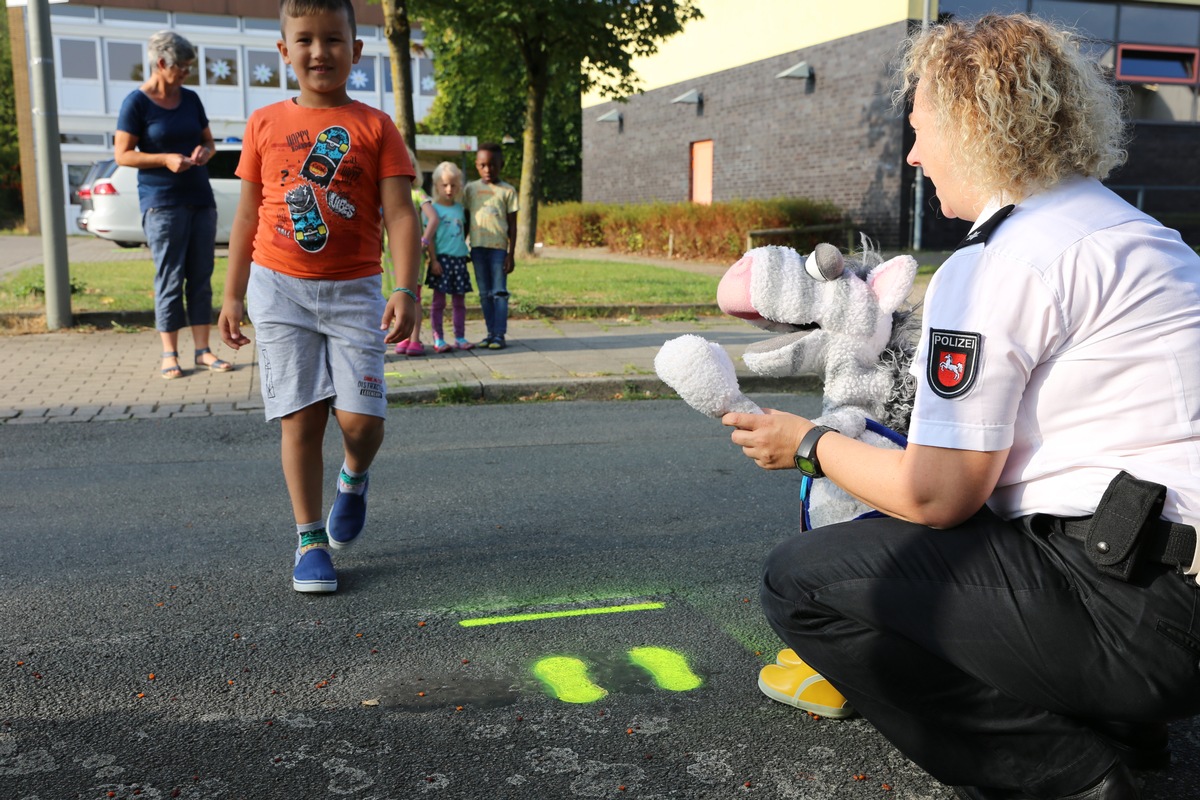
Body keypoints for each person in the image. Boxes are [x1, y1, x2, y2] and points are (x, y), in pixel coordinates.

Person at [724, 14, 1200, 800]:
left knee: (801, 581)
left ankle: (1074, 779)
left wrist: (805, 443)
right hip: (1168, 584)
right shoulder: (1142, 234)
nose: (913, 154)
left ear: (973, 124)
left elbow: (936, 495)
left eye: (920, 128)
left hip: (1137, 614)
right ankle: (1123, 728)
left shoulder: (998, 260)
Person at [217, 0, 420, 594]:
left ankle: (353, 479)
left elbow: (402, 215)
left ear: (356, 51)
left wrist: (406, 286)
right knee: (300, 417)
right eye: (304, 40)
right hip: (276, 287)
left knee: (361, 421)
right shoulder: (262, 124)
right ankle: (310, 540)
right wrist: (231, 296)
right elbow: (248, 215)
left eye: (333, 39)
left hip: (355, 290)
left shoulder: (376, 126)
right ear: (284, 51)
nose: (319, 51)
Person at [115, 30, 231, 380]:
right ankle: (170, 353)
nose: (187, 74)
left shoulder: (191, 99)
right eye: (183, 67)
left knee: (201, 277)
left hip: (200, 199)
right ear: (162, 63)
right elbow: (122, 155)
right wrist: (165, 158)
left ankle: (203, 351)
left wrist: (204, 152)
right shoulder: (136, 103)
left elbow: (209, 142)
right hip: (162, 203)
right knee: (169, 278)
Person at [464, 142, 518, 349]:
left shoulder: (507, 191)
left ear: (501, 165)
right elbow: (466, 219)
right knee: (484, 293)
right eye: (483, 165)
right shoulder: (471, 189)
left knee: (499, 292)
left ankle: (499, 335)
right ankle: (489, 333)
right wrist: (463, 246)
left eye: (493, 165)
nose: (488, 170)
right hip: (477, 249)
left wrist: (510, 254)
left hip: (498, 250)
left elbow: (513, 226)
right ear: (477, 165)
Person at [425, 161, 474, 353]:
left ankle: (460, 337)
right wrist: (433, 260)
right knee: (439, 302)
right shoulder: (433, 210)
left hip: (459, 260)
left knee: (459, 302)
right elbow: (431, 239)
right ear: (437, 185)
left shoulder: (461, 209)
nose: (449, 189)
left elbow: (464, 232)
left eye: (453, 185)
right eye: (444, 185)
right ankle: (438, 338)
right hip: (441, 261)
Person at [394, 145, 438, 357]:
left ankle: (414, 339)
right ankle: (402, 337)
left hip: (411, 251)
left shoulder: (417, 193)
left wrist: (424, 239)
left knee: (414, 296)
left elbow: (434, 218)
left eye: (410, 166)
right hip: (391, 252)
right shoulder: (390, 192)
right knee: (396, 294)